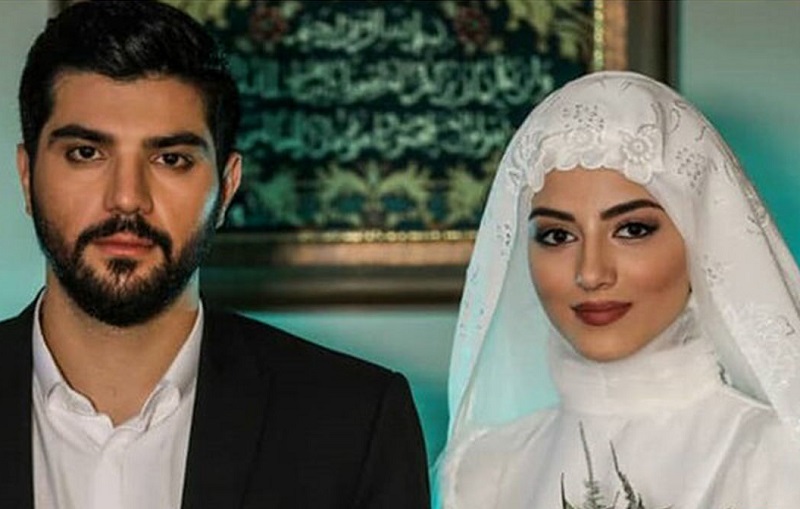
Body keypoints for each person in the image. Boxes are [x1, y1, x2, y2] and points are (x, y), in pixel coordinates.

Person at [0, 1, 430, 508]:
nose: (127, 198)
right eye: (86, 153)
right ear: (27, 176)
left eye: (170, 159)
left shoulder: (355, 423)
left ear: (226, 187)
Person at [437, 71, 800, 508]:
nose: (591, 273)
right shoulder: (484, 472)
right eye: (557, 235)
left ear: (701, 238)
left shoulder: (778, 459)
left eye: (632, 229)